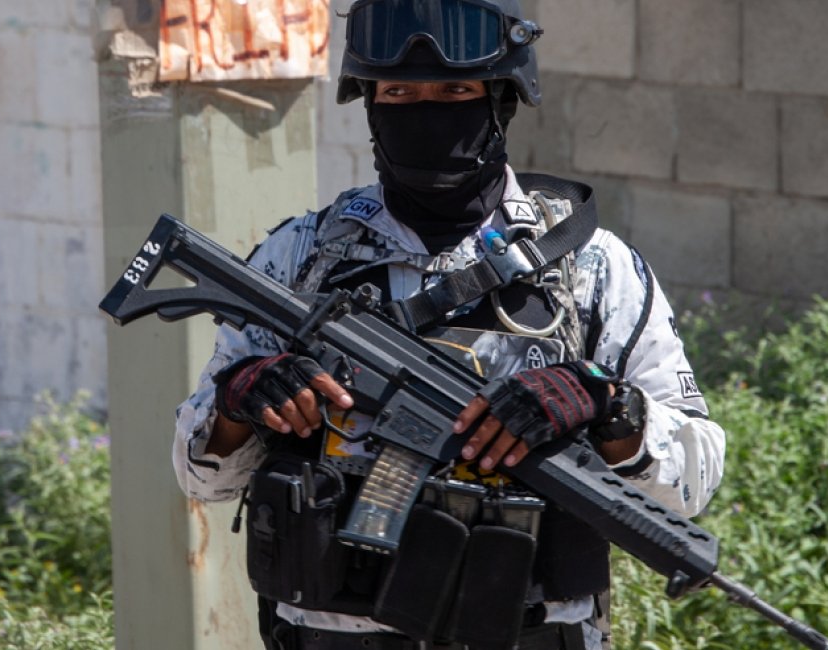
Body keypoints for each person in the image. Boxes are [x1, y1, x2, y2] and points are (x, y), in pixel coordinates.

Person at [171, 1, 726, 648]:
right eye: (399, 92)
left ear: (501, 101)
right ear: (370, 104)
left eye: (455, 90)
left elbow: (694, 480)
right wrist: (242, 397)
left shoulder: (590, 267)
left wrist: (609, 407)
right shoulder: (301, 258)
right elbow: (201, 476)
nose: (426, 111)